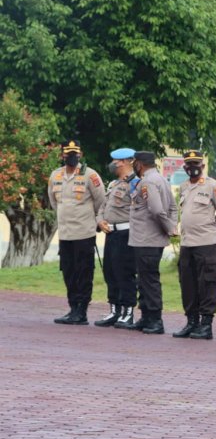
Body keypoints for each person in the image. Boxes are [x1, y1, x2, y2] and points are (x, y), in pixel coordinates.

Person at [172, 150, 216, 340]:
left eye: (196, 164)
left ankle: (206, 325)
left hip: (206, 243)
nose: (193, 168)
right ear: (185, 167)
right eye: (189, 164)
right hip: (187, 243)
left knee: (208, 283)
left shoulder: (213, 186)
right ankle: (191, 322)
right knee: (188, 283)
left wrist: (211, 228)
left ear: (203, 166)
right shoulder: (184, 187)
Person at [48, 140, 106, 325]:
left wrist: (96, 221)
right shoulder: (55, 176)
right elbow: (54, 202)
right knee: (69, 272)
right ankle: (73, 307)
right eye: (68, 153)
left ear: (80, 154)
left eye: (75, 153)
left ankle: (82, 311)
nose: (71, 156)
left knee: (83, 272)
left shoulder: (90, 175)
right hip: (65, 233)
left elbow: (101, 202)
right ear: (62, 155)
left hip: (84, 233)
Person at [126, 151, 178, 334]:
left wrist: (169, 228)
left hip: (147, 239)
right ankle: (146, 316)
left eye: (134, 163)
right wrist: (171, 225)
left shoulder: (148, 182)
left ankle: (155, 319)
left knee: (149, 280)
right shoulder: (162, 179)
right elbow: (172, 207)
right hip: (148, 239)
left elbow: (156, 210)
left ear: (139, 164)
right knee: (144, 279)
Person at [94, 148, 139, 328]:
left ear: (127, 162)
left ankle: (128, 312)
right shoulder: (113, 184)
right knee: (110, 272)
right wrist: (100, 221)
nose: (114, 164)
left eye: (117, 161)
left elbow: (140, 210)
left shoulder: (135, 183)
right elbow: (102, 207)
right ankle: (115, 310)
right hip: (110, 233)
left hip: (126, 233)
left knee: (125, 273)